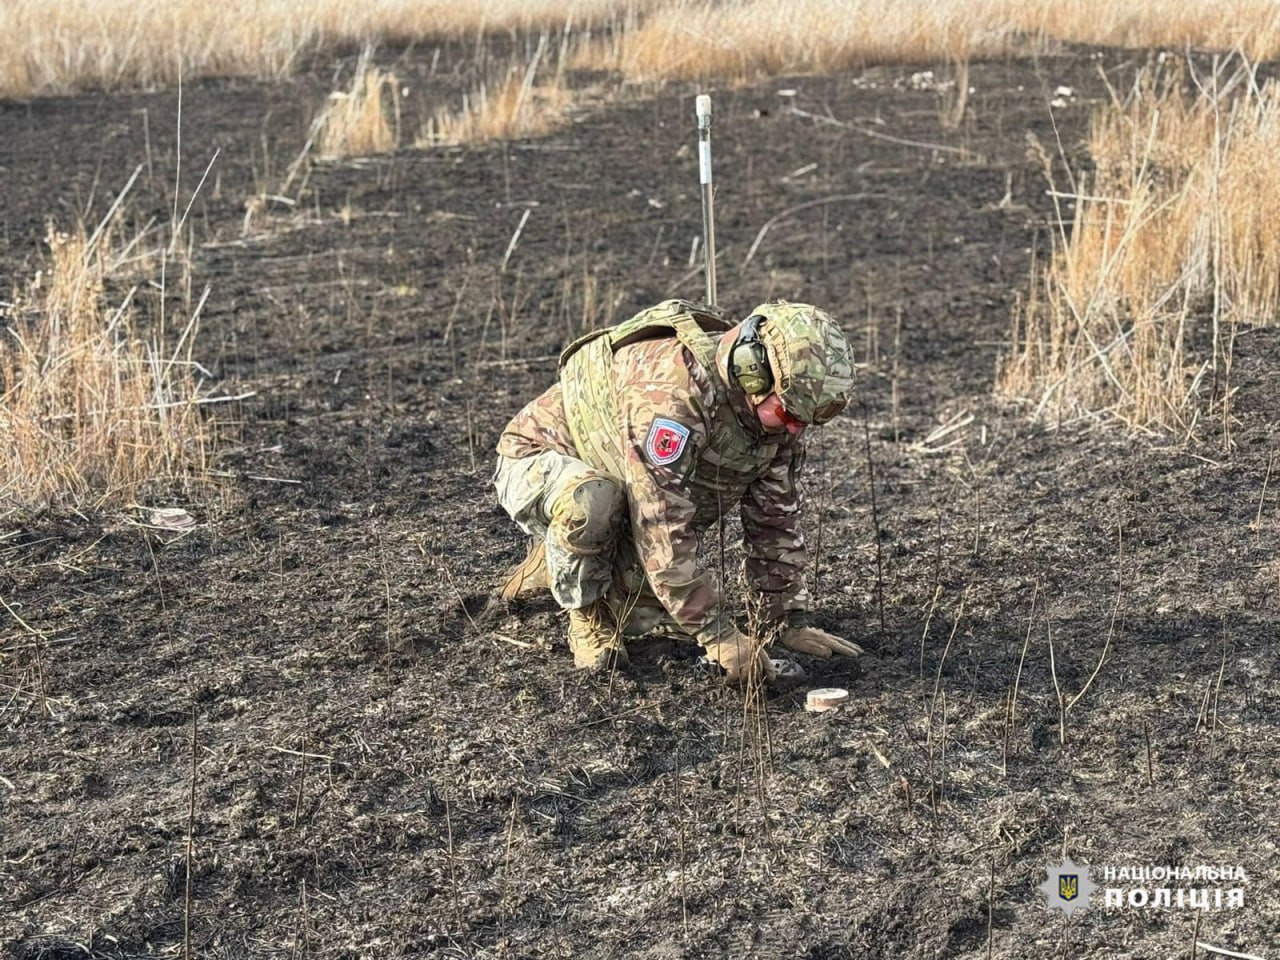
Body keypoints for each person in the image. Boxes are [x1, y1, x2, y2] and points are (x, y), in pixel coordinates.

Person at [492, 297, 864, 682]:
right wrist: (717, 634)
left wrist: (786, 620)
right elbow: (661, 523)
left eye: (806, 422)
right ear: (753, 373)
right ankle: (588, 614)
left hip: (630, 486)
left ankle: (559, 562)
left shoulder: (778, 419)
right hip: (536, 462)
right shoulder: (673, 398)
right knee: (592, 502)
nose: (793, 430)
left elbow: (775, 520)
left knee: (645, 615)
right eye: (788, 414)